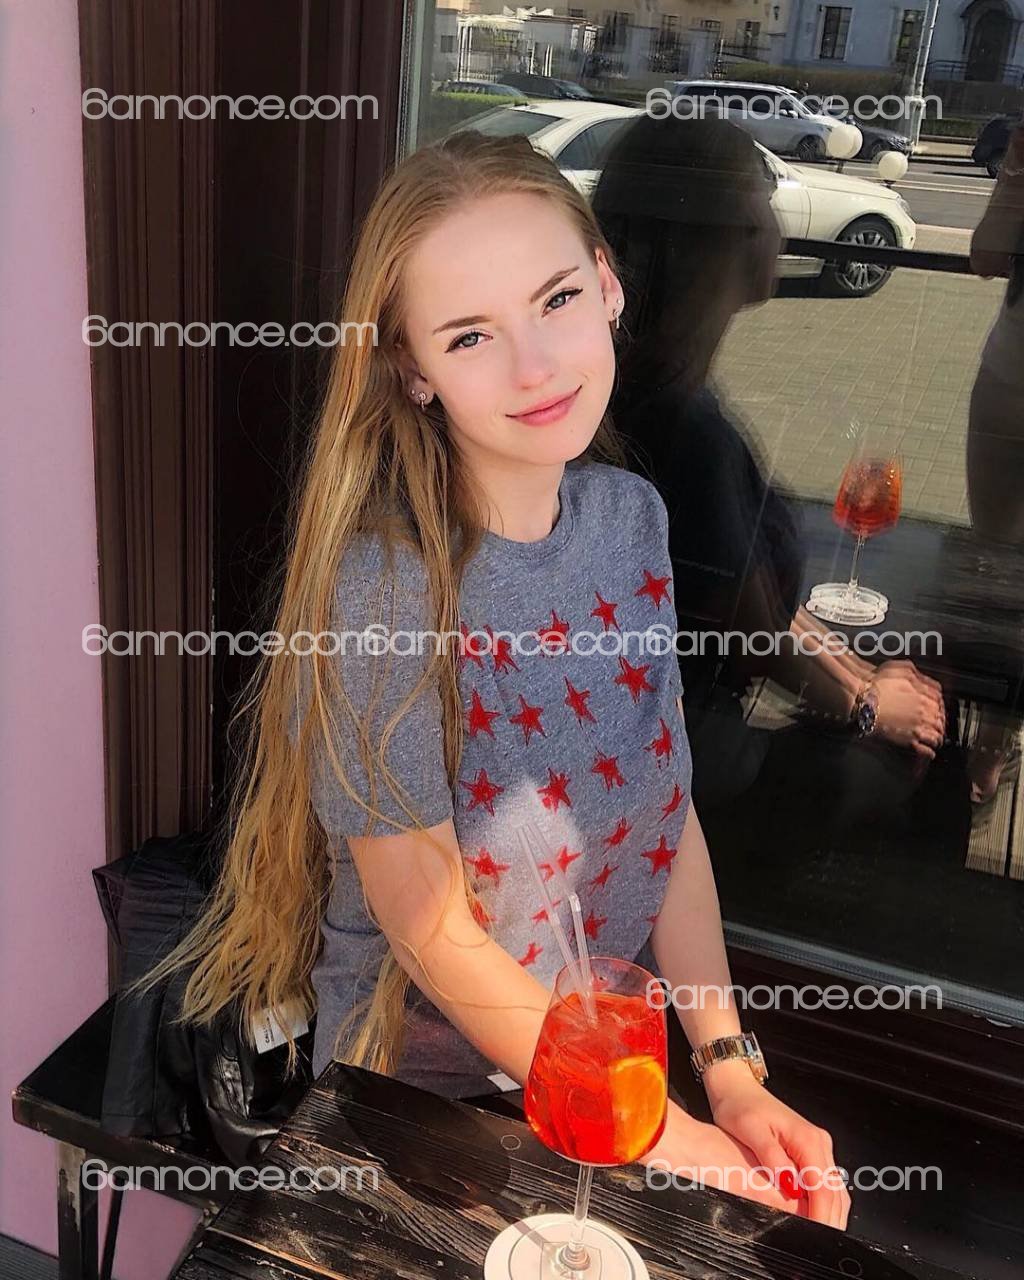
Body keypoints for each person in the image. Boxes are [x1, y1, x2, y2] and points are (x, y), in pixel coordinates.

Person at [133, 130, 850, 1226]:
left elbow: (669, 816)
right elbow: (431, 928)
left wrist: (727, 1069)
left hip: (610, 1067)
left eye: (556, 298)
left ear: (607, 285)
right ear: (412, 368)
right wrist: (662, 1133)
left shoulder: (630, 520)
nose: (534, 364)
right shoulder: (385, 591)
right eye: (470, 334)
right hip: (429, 1109)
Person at [589, 115, 946, 827]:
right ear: (721, 241)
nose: (779, 229)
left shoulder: (644, 388)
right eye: (764, 207)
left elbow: (761, 604)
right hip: (680, 761)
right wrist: (869, 706)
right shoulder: (686, 428)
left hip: (665, 732)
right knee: (914, 777)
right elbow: (757, 636)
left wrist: (866, 679)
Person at [966, 122, 1024, 806]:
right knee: (994, 563)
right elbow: (985, 254)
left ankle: (994, 738)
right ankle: (992, 730)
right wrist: (1017, 169)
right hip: (1009, 382)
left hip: (1008, 380)